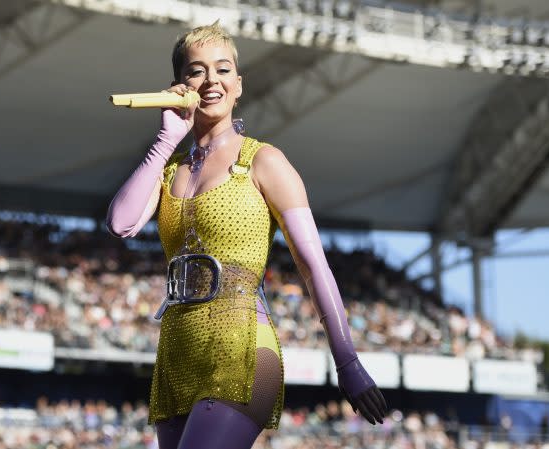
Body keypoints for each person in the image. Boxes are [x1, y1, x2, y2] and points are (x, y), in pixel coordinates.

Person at [106, 21, 387, 449]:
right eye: (197, 71)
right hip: (177, 352)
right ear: (179, 86)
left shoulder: (265, 161)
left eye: (223, 69)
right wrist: (167, 139)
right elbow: (121, 223)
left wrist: (346, 362)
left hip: (242, 343)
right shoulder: (167, 171)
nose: (211, 80)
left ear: (239, 84)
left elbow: (314, 266)